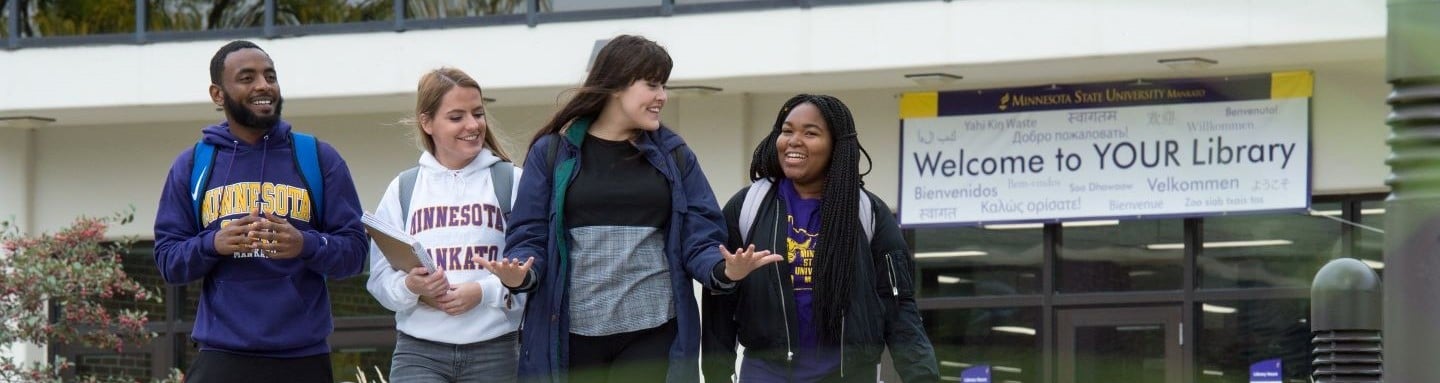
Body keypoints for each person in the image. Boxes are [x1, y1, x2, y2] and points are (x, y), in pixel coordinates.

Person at [478, 35, 780, 383]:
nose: (662, 96)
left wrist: (724, 270)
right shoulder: (551, 153)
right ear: (615, 85)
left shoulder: (674, 155)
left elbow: (702, 234)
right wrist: (521, 274)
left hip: (653, 331)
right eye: (652, 84)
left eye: (663, 85)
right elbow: (529, 234)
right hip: (572, 336)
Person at [152, 40, 368, 382]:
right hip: (222, 355)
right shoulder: (193, 164)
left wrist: (306, 245)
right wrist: (213, 244)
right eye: (247, 77)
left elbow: (356, 253)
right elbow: (167, 261)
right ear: (218, 94)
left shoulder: (318, 158)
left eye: (270, 76)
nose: (263, 85)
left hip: (303, 357)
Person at [701, 94, 940, 382]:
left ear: (836, 145)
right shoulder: (748, 206)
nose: (793, 140)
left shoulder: (867, 212)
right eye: (787, 131)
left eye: (810, 133)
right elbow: (719, 303)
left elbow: (899, 306)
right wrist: (716, 375)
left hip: (846, 373)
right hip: (766, 372)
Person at [365, 67, 524, 382]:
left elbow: (533, 269)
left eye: (478, 113)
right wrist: (411, 287)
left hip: (495, 351)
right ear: (427, 123)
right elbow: (379, 278)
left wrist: (482, 292)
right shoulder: (403, 188)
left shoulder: (512, 181)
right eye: (456, 117)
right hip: (418, 353)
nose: (472, 125)